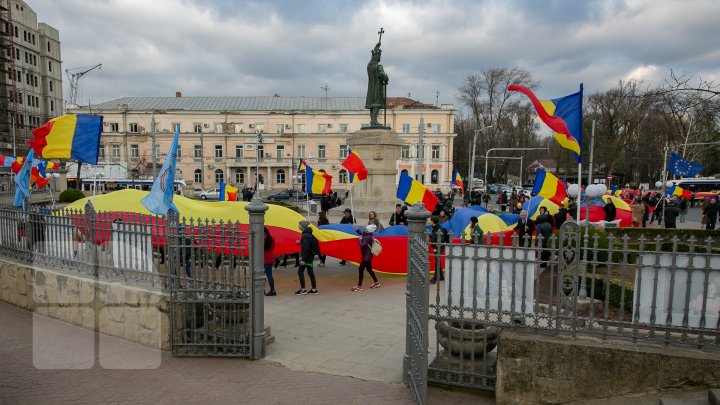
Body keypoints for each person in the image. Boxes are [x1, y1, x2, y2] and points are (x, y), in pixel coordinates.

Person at [366, 41, 389, 127]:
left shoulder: (369, 66)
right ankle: (374, 121)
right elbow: (382, 75)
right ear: (378, 57)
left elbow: (371, 59)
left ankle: (373, 120)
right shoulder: (379, 66)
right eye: (379, 56)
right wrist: (386, 78)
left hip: (370, 89)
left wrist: (376, 47)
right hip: (377, 88)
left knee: (372, 105)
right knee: (376, 104)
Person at [352, 225, 381, 291]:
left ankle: (359, 286)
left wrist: (359, 239)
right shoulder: (369, 235)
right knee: (369, 270)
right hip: (368, 256)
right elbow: (362, 235)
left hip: (366, 257)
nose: (364, 229)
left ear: (368, 230)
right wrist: (357, 229)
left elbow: (362, 245)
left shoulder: (367, 237)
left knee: (361, 269)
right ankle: (376, 282)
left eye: (366, 228)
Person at [295, 221, 319, 295]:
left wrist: (303, 260)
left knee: (300, 272)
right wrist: (301, 242)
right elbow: (308, 244)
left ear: (303, 226)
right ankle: (314, 289)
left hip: (307, 258)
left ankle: (303, 290)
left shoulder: (305, 235)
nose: (298, 226)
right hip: (310, 257)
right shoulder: (309, 234)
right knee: (310, 272)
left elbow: (306, 248)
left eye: (299, 225)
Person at [429, 216, 449, 284]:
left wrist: (436, 248)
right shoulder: (435, 228)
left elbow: (441, 240)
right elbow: (434, 237)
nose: (430, 222)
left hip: (439, 247)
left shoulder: (439, 229)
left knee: (437, 262)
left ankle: (435, 278)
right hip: (436, 247)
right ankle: (441, 276)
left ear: (432, 221)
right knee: (437, 261)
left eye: (431, 221)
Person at [263, 227, 277, 296]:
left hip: (263, 258)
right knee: (269, 275)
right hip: (270, 258)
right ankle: (272, 290)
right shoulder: (271, 238)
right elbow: (273, 246)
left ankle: (262, 289)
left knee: (261, 275)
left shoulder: (261, 238)